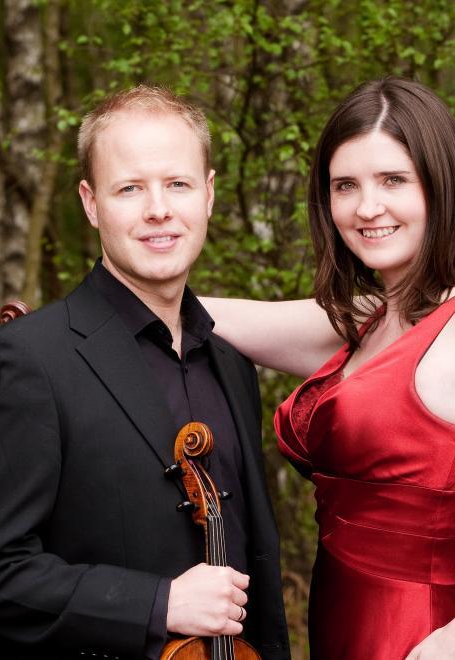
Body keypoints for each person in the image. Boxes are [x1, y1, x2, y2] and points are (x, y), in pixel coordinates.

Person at [0, 85, 290, 659]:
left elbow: (256, 566)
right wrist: (158, 604)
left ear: (207, 195)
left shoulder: (230, 364)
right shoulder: (25, 359)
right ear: (90, 202)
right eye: (130, 188)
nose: (158, 209)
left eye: (177, 184)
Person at [201, 77, 455, 660]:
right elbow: (205, 315)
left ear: (441, 186)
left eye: (394, 180)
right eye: (346, 185)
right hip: (340, 627)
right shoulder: (369, 319)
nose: (367, 208)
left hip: (417, 641)